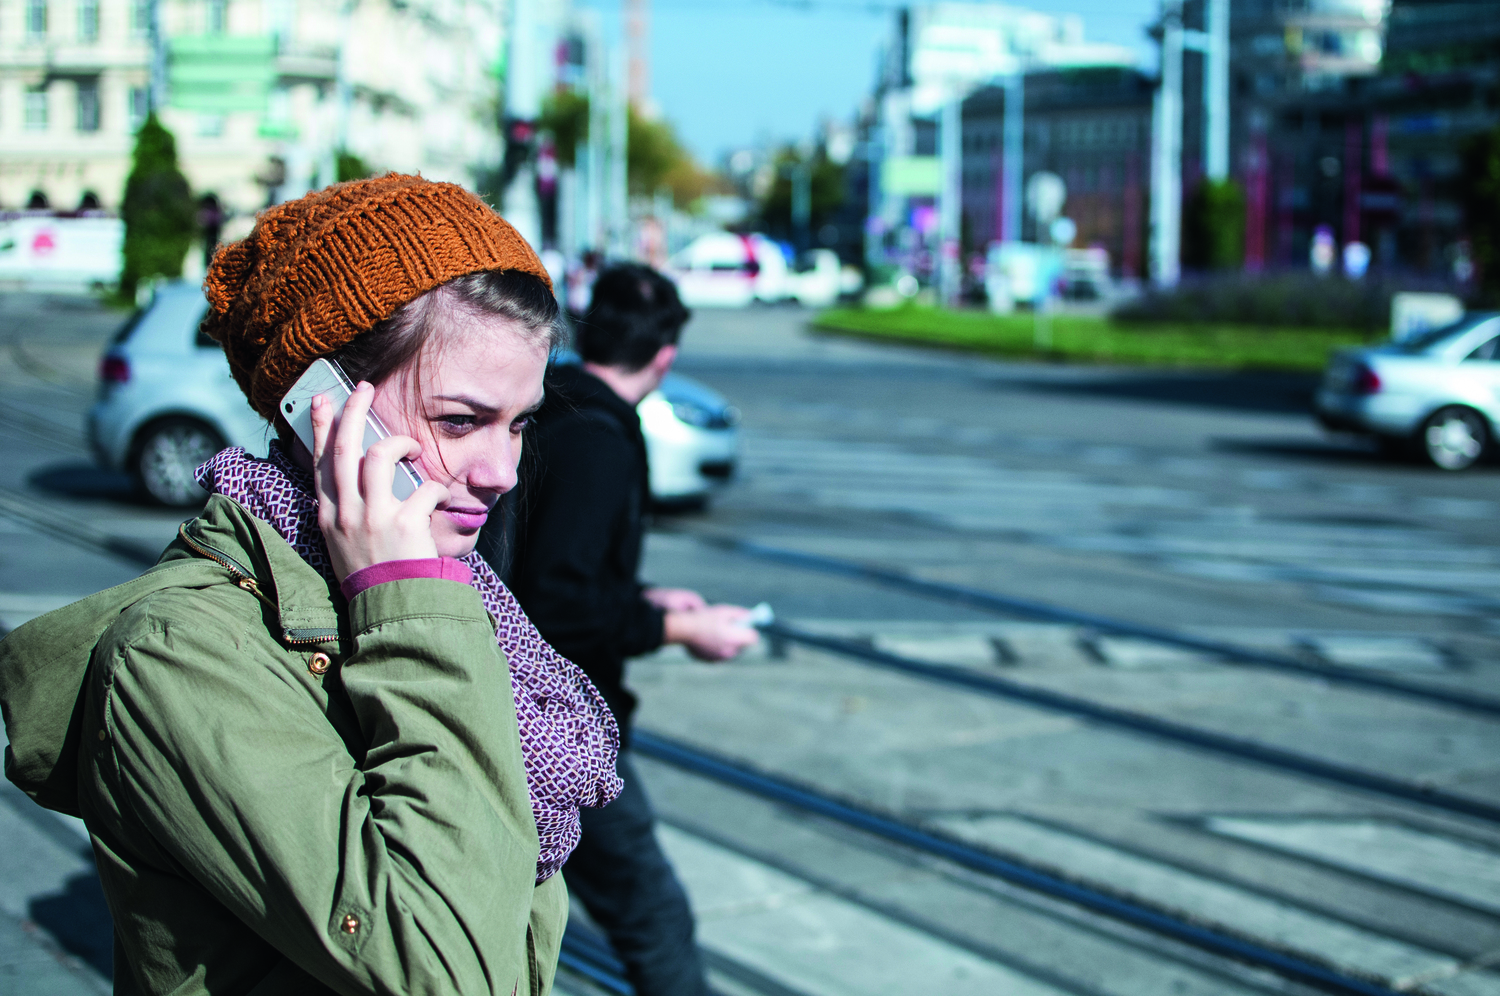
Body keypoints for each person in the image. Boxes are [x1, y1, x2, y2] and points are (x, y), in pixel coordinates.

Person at [0, 175, 620, 995]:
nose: (502, 472)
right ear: (313, 406)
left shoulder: (454, 606)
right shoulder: (183, 655)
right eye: (460, 422)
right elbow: (449, 972)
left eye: (520, 422)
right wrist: (408, 598)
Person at [489, 263, 758, 996]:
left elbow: (548, 561)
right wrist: (677, 627)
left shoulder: (552, 407)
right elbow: (559, 604)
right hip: (557, 724)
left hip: (509, 701)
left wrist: (642, 593)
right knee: (653, 914)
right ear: (665, 358)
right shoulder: (604, 440)